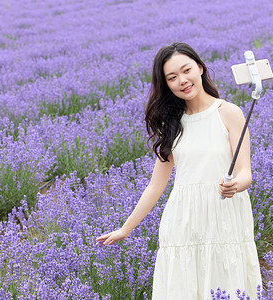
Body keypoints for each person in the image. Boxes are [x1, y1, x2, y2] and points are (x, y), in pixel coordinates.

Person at [96, 42, 262, 299]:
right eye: (172, 77)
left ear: (200, 68)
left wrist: (235, 185)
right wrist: (125, 229)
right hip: (184, 219)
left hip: (225, 215)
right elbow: (156, 185)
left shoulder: (229, 113)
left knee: (227, 281)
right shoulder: (171, 124)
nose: (182, 80)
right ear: (166, 85)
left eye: (186, 70)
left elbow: (244, 172)